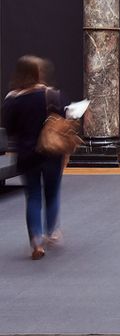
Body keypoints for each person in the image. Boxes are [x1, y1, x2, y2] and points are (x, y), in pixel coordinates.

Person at [1, 56, 67, 259]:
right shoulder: (51, 95)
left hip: (26, 154)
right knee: (52, 193)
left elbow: (9, 129)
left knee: (33, 196)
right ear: (39, 73)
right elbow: (64, 120)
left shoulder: (12, 99)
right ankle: (51, 233)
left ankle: (36, 241)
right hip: (51, 153)